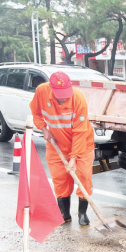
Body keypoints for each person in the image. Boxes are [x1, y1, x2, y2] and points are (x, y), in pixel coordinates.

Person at [29, 71, 95, 225]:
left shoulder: (78, 100)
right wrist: (43, 129)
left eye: (66, 93)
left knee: (84, 177)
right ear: (51, 89)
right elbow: (36, 112)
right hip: (56, 144)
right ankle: (64, 214)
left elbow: (80, 133)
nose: (63, 97)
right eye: (59, 94)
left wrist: (73, 158)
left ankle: (82, 214)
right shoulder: (42, 92)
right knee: (60, 179)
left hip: (82, 145)